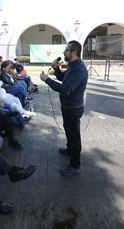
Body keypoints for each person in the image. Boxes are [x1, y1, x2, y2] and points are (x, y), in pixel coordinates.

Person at [39, 40, 88, 176]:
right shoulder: (72, 66)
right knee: (68, 130)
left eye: (66, 50)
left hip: (73, 108)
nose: (64, 53)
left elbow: (66, 89)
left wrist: (47, 80)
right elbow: (63, 78)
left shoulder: (78, 69)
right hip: (68, 107)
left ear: (74, 52)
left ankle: (75, 165)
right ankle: (69, 150)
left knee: (74, 136)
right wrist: (56, 68)